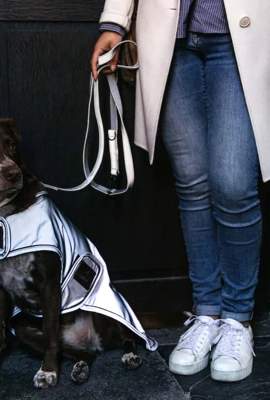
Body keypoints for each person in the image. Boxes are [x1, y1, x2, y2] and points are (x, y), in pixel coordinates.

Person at [91, 0, 270, 382]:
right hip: (168, 37)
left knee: (234, 185)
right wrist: (115, 22)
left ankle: (237, 319)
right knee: (192, 183)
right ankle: (207, 312)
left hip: (243, 31)